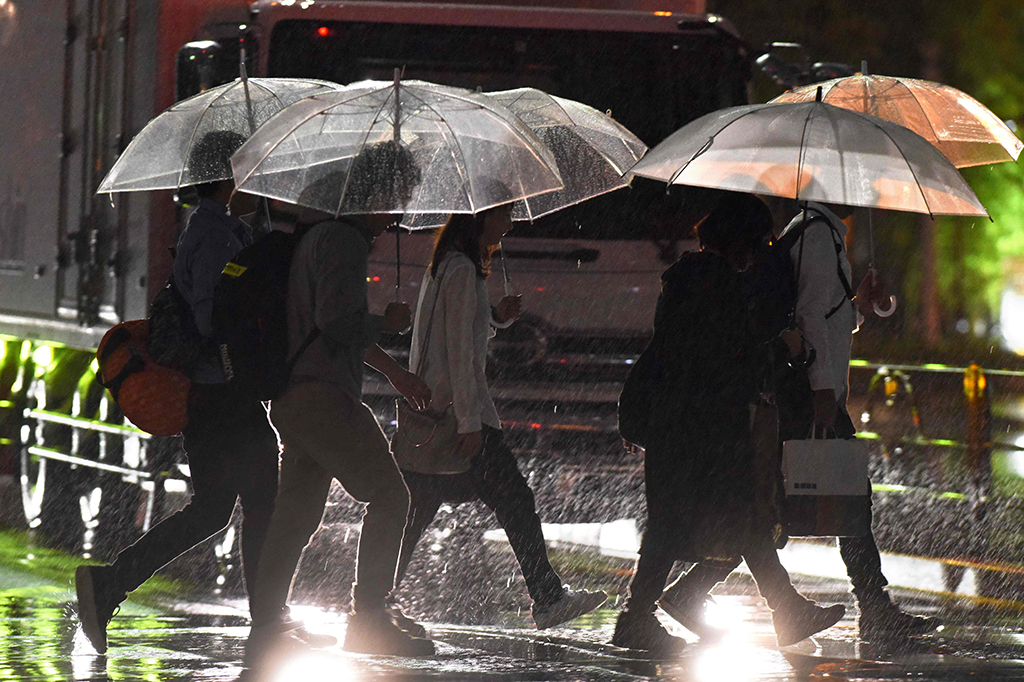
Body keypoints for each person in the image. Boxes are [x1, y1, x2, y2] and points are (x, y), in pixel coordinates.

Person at [658, 200, 940, 643]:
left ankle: (694, 590)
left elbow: (824, 315)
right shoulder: (816, 236)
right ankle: (873, 607)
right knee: (839, 498)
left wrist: (859, 307)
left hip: (807, 389)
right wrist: (823, 389)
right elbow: (807, 316)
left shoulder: (817, 233)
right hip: (810, 393)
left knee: (774, 503)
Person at [75, 131, 282, 655]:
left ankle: (108, 585)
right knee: (261, 501)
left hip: (217, 396)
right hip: (220, 394)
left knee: (216, 510)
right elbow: (215, 316)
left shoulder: (226, 230)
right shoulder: (211, 236)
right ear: (229, 174)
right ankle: (267, 624)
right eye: (247, 166)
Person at [612, 194, 845, 654]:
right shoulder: (715, 283)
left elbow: (688, 350)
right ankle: (637, 618)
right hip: (706, 428)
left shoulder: (684, 278)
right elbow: (728, 354)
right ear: (741, 243)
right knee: (722, 520)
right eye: (758, 243)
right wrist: (786, 349)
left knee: (716, 521)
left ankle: (781, 609)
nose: (757, 255)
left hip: (679, 422)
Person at [244, 141, 437, 664]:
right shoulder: (343, 242)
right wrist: (388, 324)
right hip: (323, 396)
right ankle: (368, 617)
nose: (398, 214)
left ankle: (268, 623)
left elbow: (329, 325)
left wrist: (394, 371)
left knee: (297, 514)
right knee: (392, 497)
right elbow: (337, 322)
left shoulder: (318, 234)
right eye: (397, 198)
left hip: (297, 395)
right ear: (376, 191)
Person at [389, 204, 607, 633]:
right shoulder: (461, 271)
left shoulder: (450, 266)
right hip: (458, 414)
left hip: (438, 411)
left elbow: (459, 330)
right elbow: (458, 354)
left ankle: (374, 598)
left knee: (417, 511)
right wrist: (470, 421)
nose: (509, 224)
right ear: (479, 219)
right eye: (503, 215)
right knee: (512, 501)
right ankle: (546, 597)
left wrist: (494, 318)